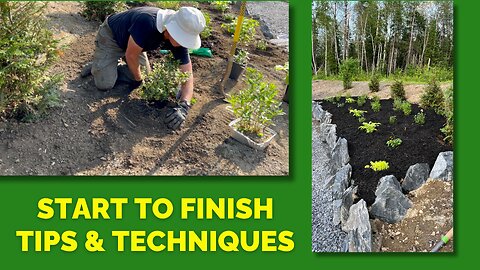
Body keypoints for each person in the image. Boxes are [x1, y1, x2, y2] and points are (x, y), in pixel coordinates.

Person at [82, 6, 206, 130]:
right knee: (105, 84)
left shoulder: (176, 37)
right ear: (171, 29)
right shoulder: (147, 22)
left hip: (136, 43)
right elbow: (130, 55)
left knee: (146, 76)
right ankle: (99, 66)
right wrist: (138, 79)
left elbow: (187, 72)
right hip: (112, 37)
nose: (183, 42)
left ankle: (107, 66)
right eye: (182, 38)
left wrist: (184, 105)